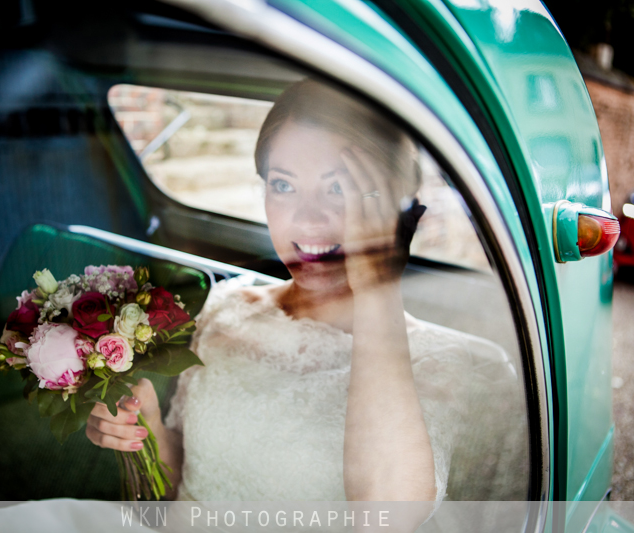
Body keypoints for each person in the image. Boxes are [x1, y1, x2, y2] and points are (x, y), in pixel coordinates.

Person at [85, 80, 470, 514]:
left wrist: (378, 286)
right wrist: (148, 432)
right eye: (283, 186)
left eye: (339, 188)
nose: (307, 219)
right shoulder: (227, 308)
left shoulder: (448, 363)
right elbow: (185, 484)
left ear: (402, 213)